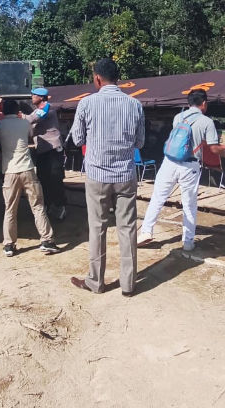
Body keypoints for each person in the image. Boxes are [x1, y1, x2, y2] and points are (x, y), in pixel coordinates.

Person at [69, 59, 145, 296]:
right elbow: (140, 142)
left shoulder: (86, 103)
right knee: (128, 228)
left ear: (97, 79)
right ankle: (128, 285)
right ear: (117, 78)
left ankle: (96, 282)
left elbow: (77, 139)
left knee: (97, 228)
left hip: (97, 175)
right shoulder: (135, 104)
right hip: (125, 174)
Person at [138, 89, 225, 251]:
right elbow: (214, 149)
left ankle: (146, 231)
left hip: (169, 162)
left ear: (189, 103)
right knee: (189, 204)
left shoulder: (178, 117)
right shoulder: (207, 122)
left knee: (157, 198)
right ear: (204, 103)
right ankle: (188, 242)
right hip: (190, 166)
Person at [0, 99, 59, 257]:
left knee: (10, 210)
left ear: (4, 111)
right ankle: (47, 241)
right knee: (38, 207)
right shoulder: (24, 123)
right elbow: (30, 136)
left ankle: (9, 245)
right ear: (17, 111)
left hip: (10, 172)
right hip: (27, 169)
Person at [24, 87, 67, 221]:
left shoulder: (47, 108)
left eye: (34, 95)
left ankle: (60, 207)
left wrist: (18, 115)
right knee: (43, 179)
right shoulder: (38, 109)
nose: (32, 97)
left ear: (41, 97)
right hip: (43, 150)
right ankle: (48, 205)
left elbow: (32, 118)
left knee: (55, 178)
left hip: (53, 149)